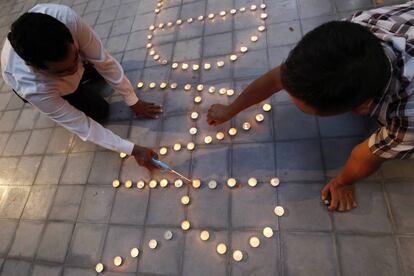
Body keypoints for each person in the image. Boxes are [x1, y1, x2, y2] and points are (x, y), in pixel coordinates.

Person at [207, 1, 414, 212]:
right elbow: (278, 78)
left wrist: (343, 182)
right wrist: (232, 109)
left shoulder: (407, 118)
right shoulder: (347, 37)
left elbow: (366, 156)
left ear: (361, 108)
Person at [1, 3, 161, 170]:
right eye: (64, 70)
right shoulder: (35, 89)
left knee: (100, 68)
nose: (76, 69)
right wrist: (132, 149)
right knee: (100, 111)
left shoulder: (66, 19)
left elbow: (105, 62)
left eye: (76, 57)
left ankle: (70, 66)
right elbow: (83, 126)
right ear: (36, 67)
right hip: (48, 87)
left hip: (59, 62)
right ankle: (72, 86)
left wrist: (132, 100)